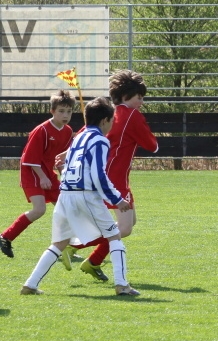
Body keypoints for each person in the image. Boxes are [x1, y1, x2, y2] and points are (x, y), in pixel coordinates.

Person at [21, 96, 139, 296]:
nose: (112, 125)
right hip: (85, 195)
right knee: (114, 236)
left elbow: (67, 167)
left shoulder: (78, 138)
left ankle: (30, 285)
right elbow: (98, 175)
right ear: (104, 121)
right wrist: (117, 199)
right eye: (112, 120)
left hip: (66, 194)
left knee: (58, 243)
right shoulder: (100, 141)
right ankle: (122, 285)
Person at [76, 69, 159, 282]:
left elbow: (82, 134)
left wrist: (65, 154)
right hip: (114, 179)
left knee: (131, 221)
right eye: (139, 98)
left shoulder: (107, 112)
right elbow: (153, 146)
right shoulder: (132, 115)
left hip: (103, 175)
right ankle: (74, 248)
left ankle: (92, 261)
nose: (141, 102)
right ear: (125, 97)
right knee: (124, 227)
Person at [0, 91, 75, 263]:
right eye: (61, 111)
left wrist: (63, 172)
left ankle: (66, 246)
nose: (65, 115)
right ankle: (6, 237)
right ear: (52, 111)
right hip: (32, 172)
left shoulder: (67, 131)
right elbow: (29, 159)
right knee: (39, 209)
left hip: (48, 172)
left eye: (69, 111)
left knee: (67, 208)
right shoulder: (41, 130)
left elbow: (60, 158)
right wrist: (42, 177)